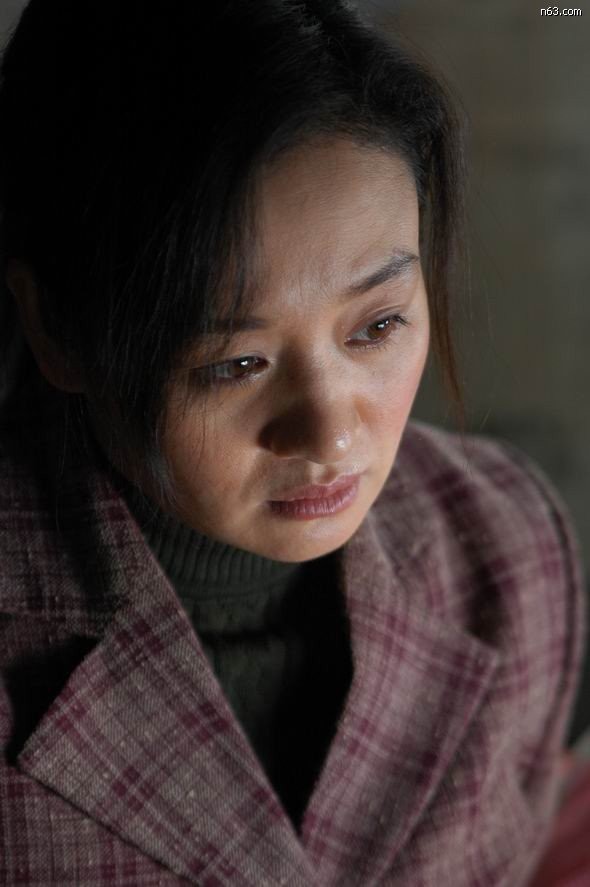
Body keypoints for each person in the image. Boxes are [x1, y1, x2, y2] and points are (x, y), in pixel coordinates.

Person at [0, 1, 585, 884]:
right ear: (58, 329)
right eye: (236, 363)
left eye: (378, 324)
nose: (332, 432)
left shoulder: (505, 549)